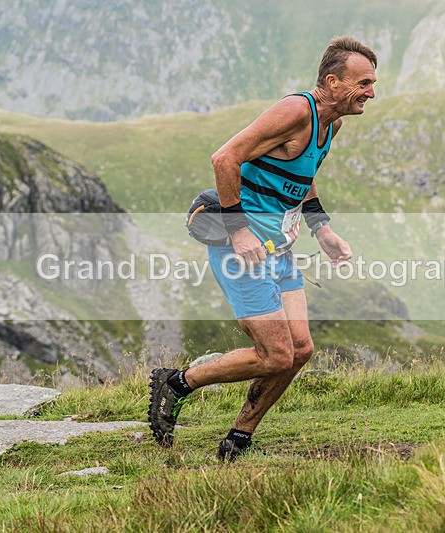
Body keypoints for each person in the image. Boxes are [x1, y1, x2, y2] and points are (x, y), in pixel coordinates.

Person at [148, 36, 377, 461]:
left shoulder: (331, 125)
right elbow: (224, 159)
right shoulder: (296, 111)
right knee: (275, 355)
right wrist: (239, 231)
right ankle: (178, 382)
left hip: (278, 245)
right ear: (332, 81)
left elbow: (301, 178)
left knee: (300, 350)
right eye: (363, 83)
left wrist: (322, 228)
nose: (371, 92)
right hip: (244, 247)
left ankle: (239, 437)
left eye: (372, 82)